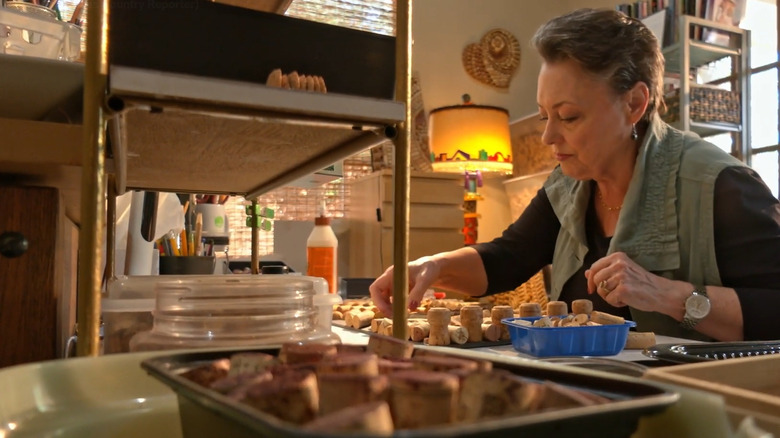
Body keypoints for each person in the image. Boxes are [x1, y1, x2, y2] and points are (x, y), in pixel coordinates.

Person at [369, 8, 780, 342]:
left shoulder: (721, 186)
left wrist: (670, 296)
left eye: (568, 116)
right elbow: (507, 259)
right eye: (546, 115)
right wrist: (432, 266)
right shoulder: (568, 186)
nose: (548, 135)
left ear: (635, 103)